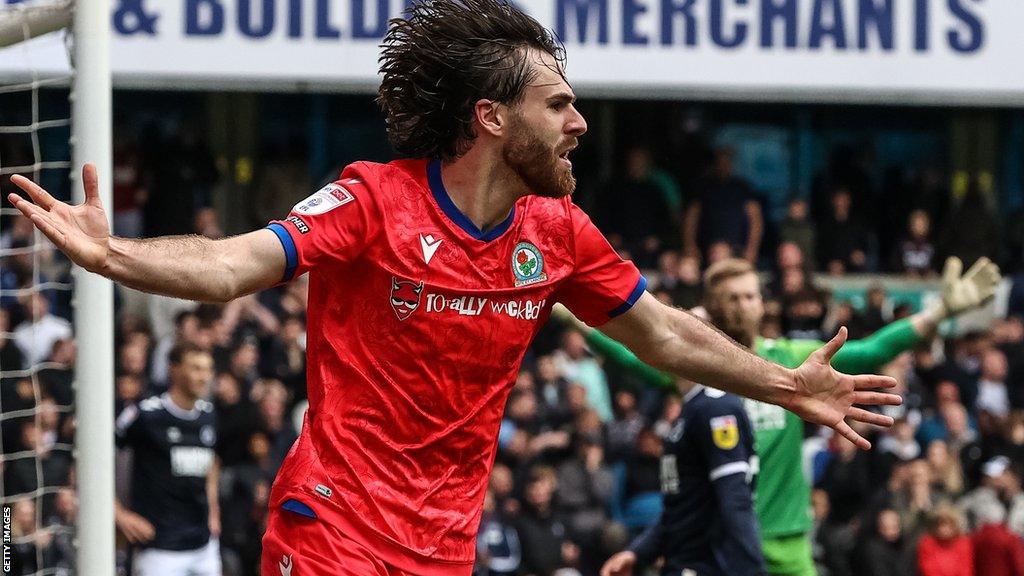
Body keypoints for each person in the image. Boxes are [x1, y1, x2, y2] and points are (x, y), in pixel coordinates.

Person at [9, 1, 901, 573]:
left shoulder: (560, 233)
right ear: (491, 117)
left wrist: (788, 384)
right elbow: (234, 264)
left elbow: (663, 335)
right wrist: (117, 252)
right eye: (559, 104)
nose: (580, 123)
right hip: (332, 527)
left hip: (444, 546)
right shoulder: (373, 198)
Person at [555, 255, 999, 576]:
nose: (746, 304)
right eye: (734, 296)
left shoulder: (793, 360)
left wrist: (941, 312)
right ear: (712, 304)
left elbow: (874, 349)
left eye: (752, 295)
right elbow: (629, 353)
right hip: (723, 544)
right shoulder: (693, 370)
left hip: (788, 540)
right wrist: (567, 311)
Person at [601, 380, 765, 576]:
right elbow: (680, 507)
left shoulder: (716, 407)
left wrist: (752, 568)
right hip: (684, 562)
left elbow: (734, 499)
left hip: (706, 564)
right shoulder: (694, 407)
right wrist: (639, 552)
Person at [113, 343, 220, 576]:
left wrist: (213, 510)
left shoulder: (208, 414)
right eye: (196, 368)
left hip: (204, 546)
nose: (204, 377)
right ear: (174, 369)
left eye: (207, 369)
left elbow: (212, 461)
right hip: (159, 550)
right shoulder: (146, 415)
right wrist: (118, 513)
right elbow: (97, 457)